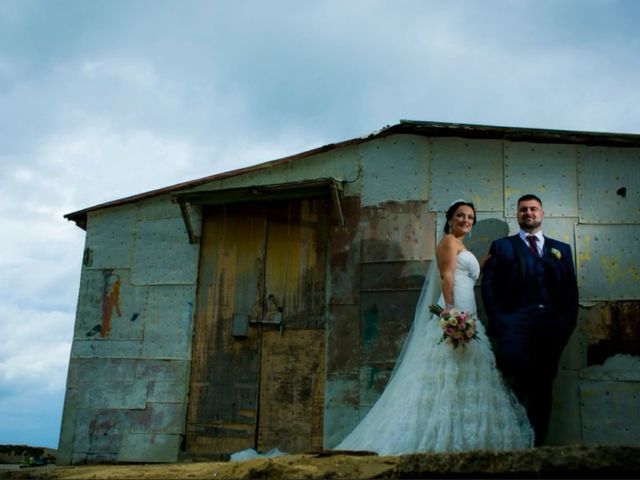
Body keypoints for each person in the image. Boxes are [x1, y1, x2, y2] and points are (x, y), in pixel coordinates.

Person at [334, 200, 533, 455]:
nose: (466, 220)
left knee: (465, 370)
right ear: (450, 219)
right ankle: (444, 435)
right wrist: (451, 311)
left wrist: (481, 263)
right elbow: (448, 277)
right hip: (456, 309)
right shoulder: (449, 242)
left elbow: (466, 275)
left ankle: (464, 432)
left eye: (470, 217)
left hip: (467, 308)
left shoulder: (461, 245)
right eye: (460, 215)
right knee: (447, 369)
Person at [481, 194, 578, 446]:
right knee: (514, 388)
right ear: (517, 215)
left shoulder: (562, 249)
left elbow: (570, 290)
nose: (529, 213)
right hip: (514, 330)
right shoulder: (502, 246)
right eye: (523, 209)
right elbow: (488, 286)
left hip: (551, 332)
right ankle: (512, 447)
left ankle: (537, 449)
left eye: (533, 209)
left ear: (542, 213)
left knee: (543, 390)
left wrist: (566, 325)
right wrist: (500, 321)